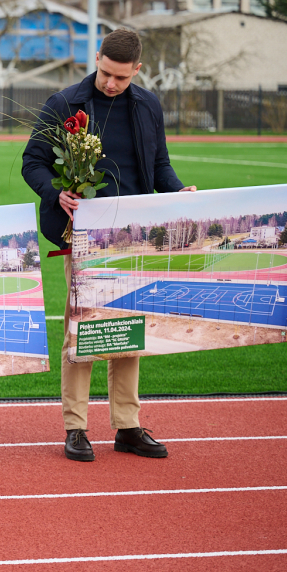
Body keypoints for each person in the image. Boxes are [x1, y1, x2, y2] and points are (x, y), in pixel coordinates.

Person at [22, 28, 196, 463]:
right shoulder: (64, 104)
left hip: (136, 237)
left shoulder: (148, 105)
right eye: (105, 73)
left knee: (129, 330)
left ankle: (127, 426)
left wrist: (176, 193)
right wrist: (54, 193)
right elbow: (33, 162)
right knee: (82, 330)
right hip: (80, 235)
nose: (111, 83)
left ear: (137, 70)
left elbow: (159, 166)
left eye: (121, 77)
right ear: (96, 58)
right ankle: (76, 428)